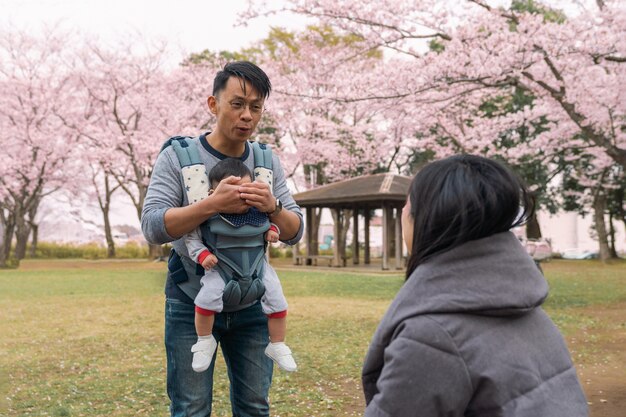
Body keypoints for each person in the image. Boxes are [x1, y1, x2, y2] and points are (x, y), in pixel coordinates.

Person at [362, 155, 588, 417]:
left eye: (407, 203)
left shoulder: (430, 336)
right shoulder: (527, 307)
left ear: (427, 218)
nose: (403, 212)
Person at [141, 61, 303, 417]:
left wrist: (273, 207)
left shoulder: (265, 160)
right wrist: (212, 204)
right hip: (189, 301)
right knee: (191, 408)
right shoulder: (178, 157)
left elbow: (295, 229)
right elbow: (153, 225)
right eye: (237, 104)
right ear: (213, 105)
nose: (247, 115)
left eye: (256, 107)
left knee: (255, 407)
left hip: (252, 304)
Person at [185, 158, 296, 373]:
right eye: (231, 191)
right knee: (207, 297)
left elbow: (270, 224)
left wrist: (273, 231)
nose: (240, 196)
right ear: (212, 193)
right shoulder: (208, 216)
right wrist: (202, 255)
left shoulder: (260, 211)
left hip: (258, 269)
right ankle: (204, 341)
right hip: (221, 269)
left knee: (277, 299)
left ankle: (278, 344)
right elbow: (192, 239)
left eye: (246, 190)